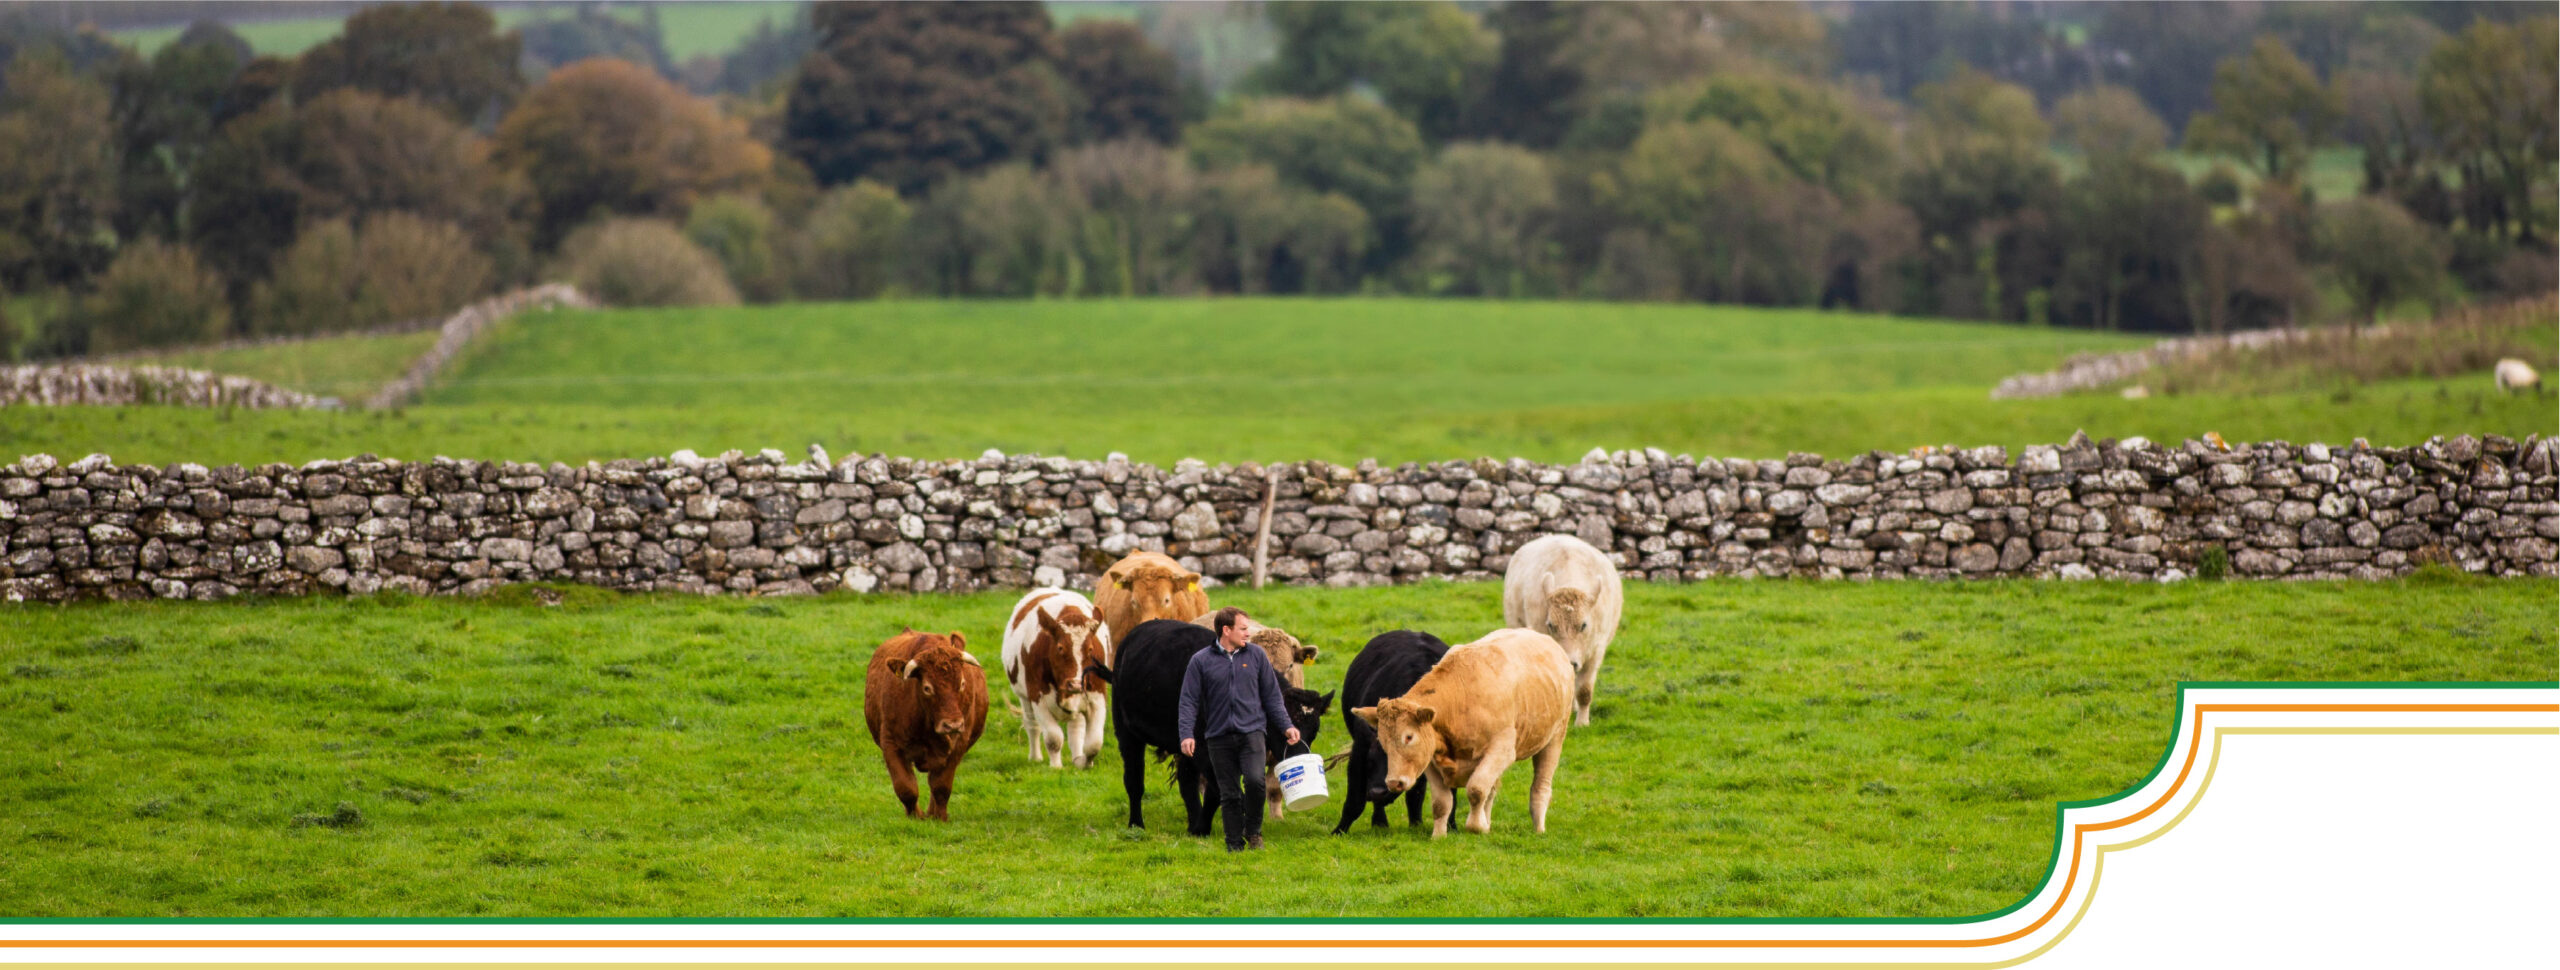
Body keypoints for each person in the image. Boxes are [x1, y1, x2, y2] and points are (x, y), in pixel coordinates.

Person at [1177, 606, 1300, 851]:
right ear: (1226, 630)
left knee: (1256, 783)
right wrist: (1187, 734)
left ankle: (1253, 832)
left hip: (1252, 733)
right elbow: (1188, 700)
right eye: (1243, 629)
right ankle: (1233, 842)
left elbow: (1273, 697)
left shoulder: (1256, 656)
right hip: (1218, 736)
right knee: (1229, 792)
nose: (1247, 633)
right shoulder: (1200, 661)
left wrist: (1287, 726)